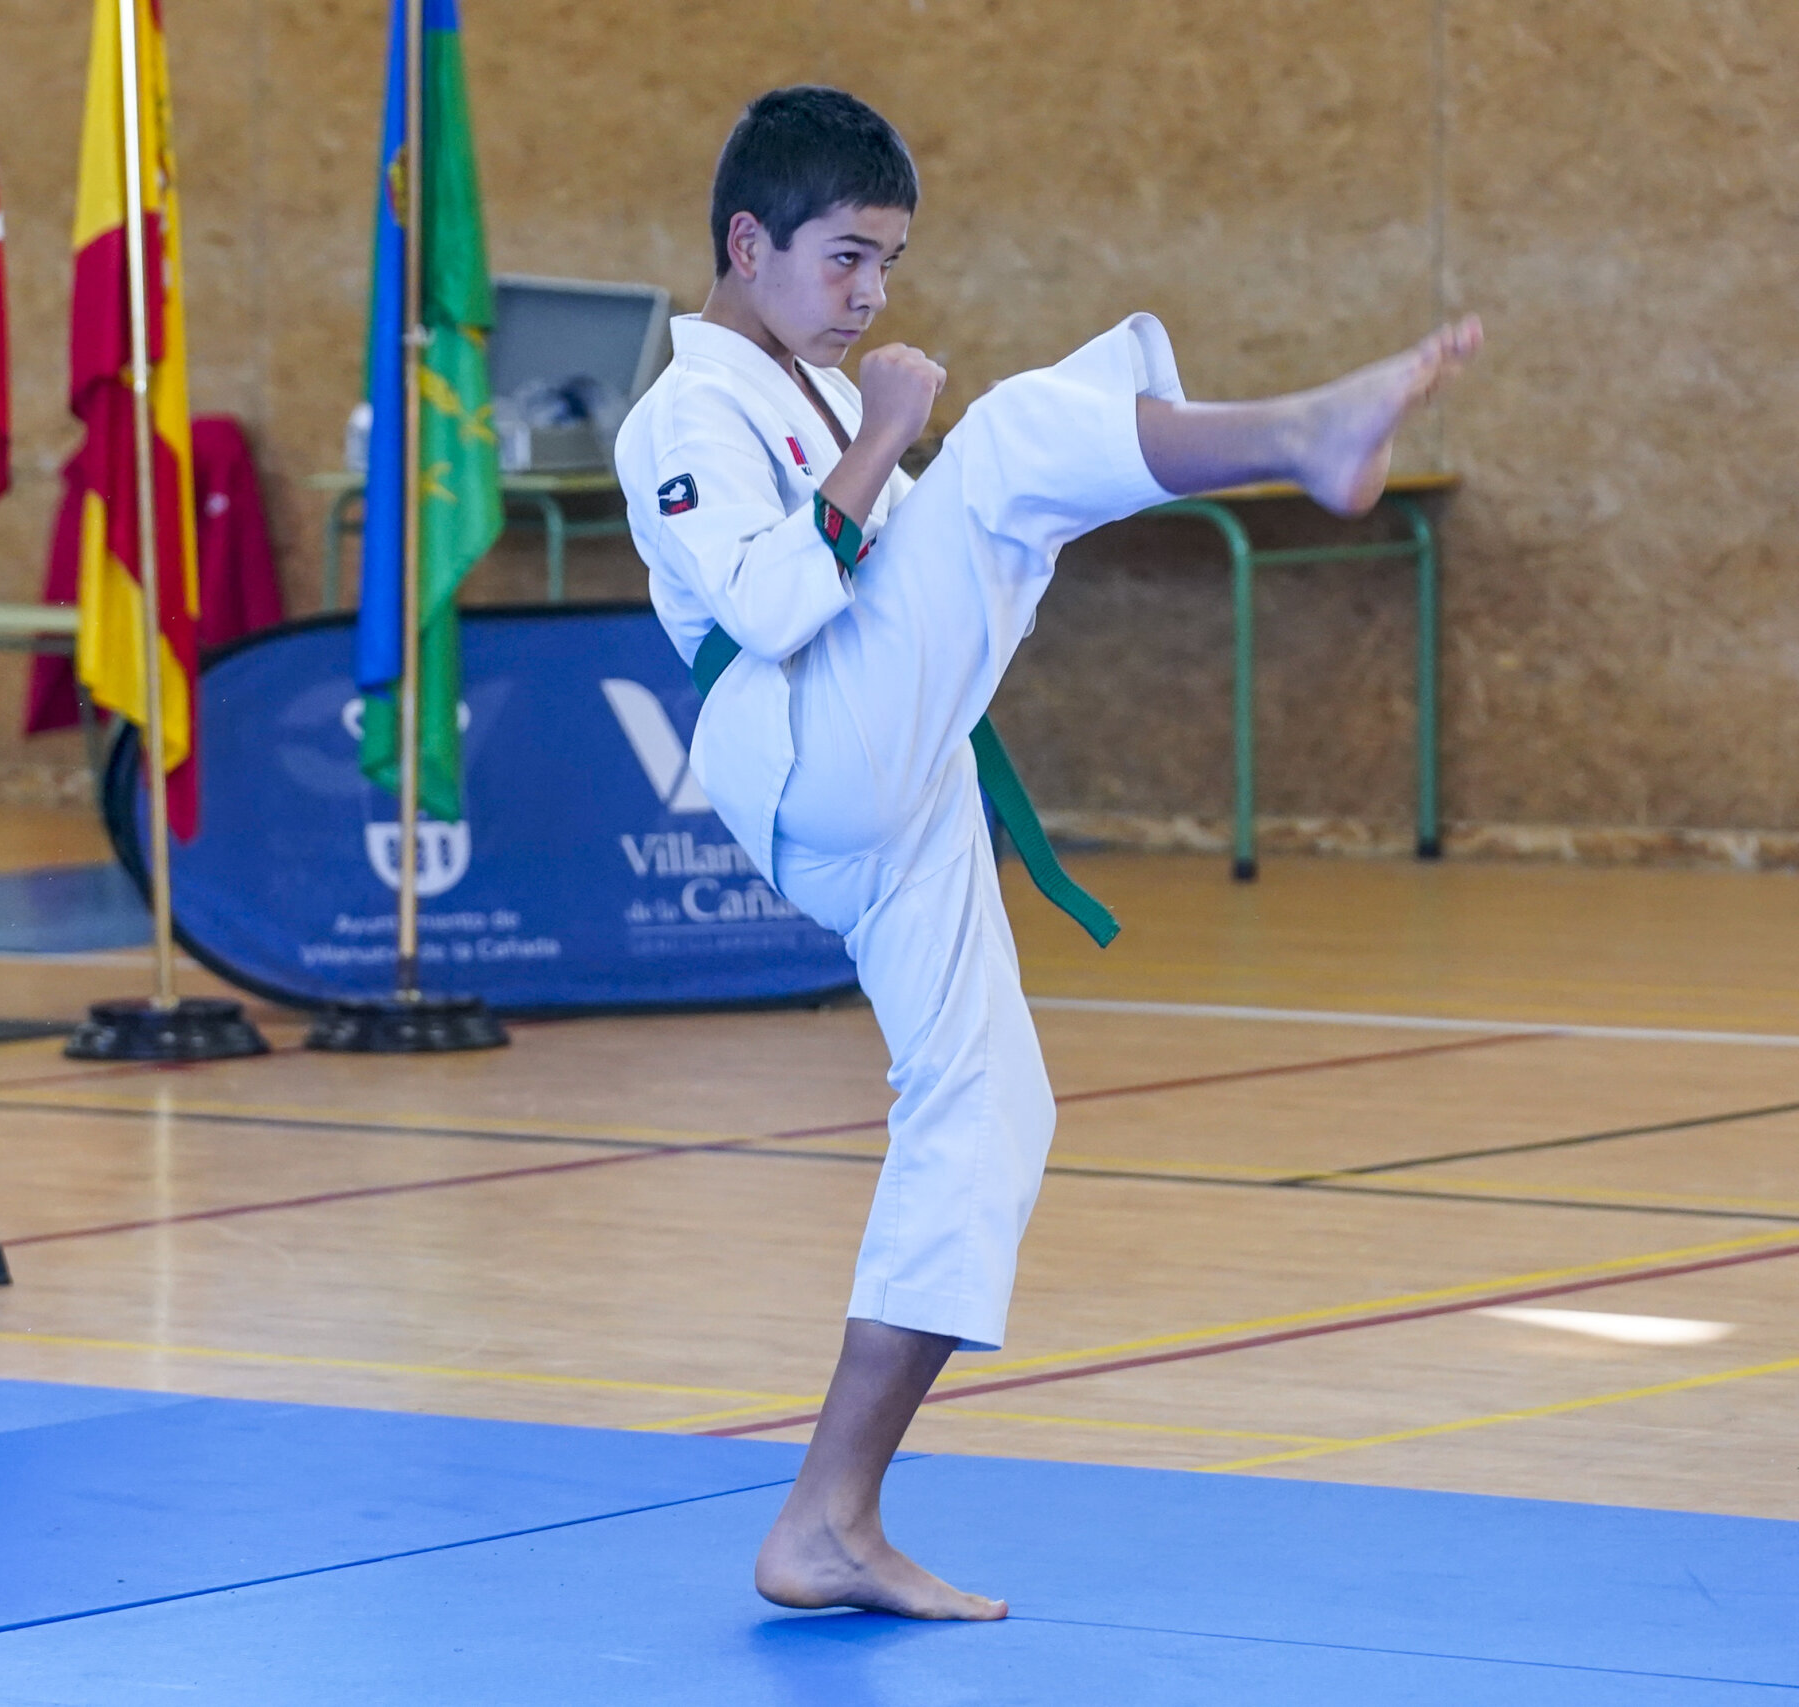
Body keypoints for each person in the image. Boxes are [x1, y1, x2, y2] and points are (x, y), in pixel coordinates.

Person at [614, 87, 1479, 1619]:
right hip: (806, 744)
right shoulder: (682, 415)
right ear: (746, 244)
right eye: (843, 258)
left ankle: (828, 1512)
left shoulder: (806, 388)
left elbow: (873, 544)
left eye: (888, 260)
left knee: (991, 1102)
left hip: (902, 764)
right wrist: (892, 433)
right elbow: (771, 607)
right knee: (1012, 441)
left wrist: (877, 441)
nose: (871, 294)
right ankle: (1299, 431)